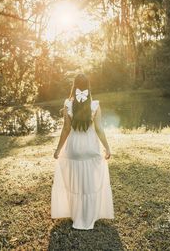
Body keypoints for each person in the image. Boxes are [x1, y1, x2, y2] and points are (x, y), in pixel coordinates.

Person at [51, 73, 114, 230]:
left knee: (76, 184)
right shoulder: (95, 105)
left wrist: (58, 149)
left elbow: (66, 129)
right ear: (88, 87)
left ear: (74, 86)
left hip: (74, 148)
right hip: (90, 148)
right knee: (90, 184)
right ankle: (88, 216)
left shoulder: (68, 104)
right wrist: (107, 147)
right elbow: (99, 129)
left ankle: (77, 216)